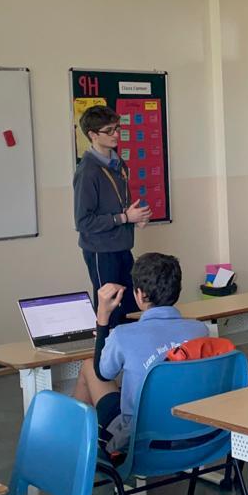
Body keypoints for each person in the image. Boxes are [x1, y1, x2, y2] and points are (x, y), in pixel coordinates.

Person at [71, 252, 208, 453]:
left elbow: (103, 372)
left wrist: (103, 317)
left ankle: (72, 446)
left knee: (89, 367)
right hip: (193, 432)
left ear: (140, 294)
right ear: (177, 290)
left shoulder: (123, 335)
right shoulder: (199, 330)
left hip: (140, 438)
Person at [73, 105, 152, 328]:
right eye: (109, 130)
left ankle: (129, 358)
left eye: (117, 128)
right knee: (110, 309)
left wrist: (136, 218)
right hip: (101, 250)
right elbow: (82, 222)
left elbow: (120, 205)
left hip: (122, 245)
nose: (116, 134)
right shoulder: (88, 171)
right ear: (93, 135)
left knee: (131, 306)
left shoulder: (118, 163)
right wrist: (124, 218)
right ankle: (106, 358)